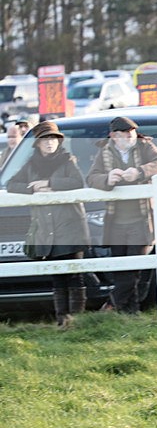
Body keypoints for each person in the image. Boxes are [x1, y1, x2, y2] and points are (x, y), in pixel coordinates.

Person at [7, 122, 90, 328]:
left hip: (70, 226)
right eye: (45, 139)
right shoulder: (30, 165)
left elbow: (78, 182)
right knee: (58, 278)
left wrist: (49, 184)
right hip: (47, 228)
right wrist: (33, 188)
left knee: (75, 276)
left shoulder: (68, 160)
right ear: (38, 143)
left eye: (53, 138)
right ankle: (62, 320)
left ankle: (76, 321)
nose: (50, 143)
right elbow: (11, 185)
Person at [87, 116, 157, 313]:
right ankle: (131, 312)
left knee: (133, 268)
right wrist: (107, 179)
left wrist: (140, 172)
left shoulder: (145, 146)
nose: (129, 137)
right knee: (122, 269)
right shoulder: (104, 152)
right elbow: (91, 177)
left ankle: (110, 305)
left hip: (141, 220)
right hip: (115, 221)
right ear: (113, 136)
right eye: (124, 134)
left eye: (131, 133)